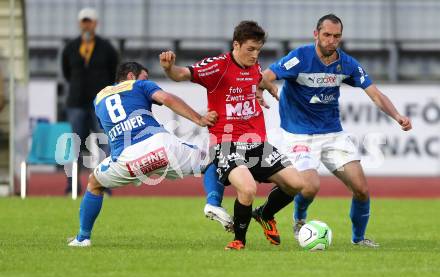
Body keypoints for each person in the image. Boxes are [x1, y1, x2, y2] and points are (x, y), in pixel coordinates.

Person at [256, 14, 412, 247]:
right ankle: (299, 220)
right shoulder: (299, 58)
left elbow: (375, 94)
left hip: (332, 134)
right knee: (309, 187)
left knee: (361, 189)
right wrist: (262, 88)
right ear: (316, 34)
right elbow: (267, 75)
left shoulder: (346, 63)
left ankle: (358, 240)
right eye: (327, 35)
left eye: (336, 36)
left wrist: (397, 115)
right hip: (298, 134)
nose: (331, 40)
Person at [160, 20, 304, 250]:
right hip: (227, 144)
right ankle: (239, 240)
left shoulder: (253, 66)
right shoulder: (217, 66)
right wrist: (169, 68)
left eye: (259, 50)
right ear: (236, 45)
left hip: (257, 143)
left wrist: (267, 87)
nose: (255, 55)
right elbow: (181, 74)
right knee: (247, 189)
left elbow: (258, 77)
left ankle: (265, 214)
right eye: (250, 49)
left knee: (297, 184)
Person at [67, 61, 218, 246]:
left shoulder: (98, 99)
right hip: (161, 147)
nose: (148, 80)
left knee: (94, 183)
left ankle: (82, 238)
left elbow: (111, 133)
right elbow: (167, 99)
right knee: (211, 161)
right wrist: (199, 118)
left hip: (127, 161)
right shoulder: (139, 85)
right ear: (131, 76)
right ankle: (213, 202)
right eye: (145, 76)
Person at [61, 7, 119, 194]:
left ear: (95, 23)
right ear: (80, 23)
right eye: (84, 21)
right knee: (75, 144)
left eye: (90, 21)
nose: (86, 24)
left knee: (105, 143)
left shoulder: (107, 48)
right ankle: (72, 187)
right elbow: (67, 73)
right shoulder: (70, 48)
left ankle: (105, 185)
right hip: (76, 103)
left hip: (100, 104)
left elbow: (114, 73)